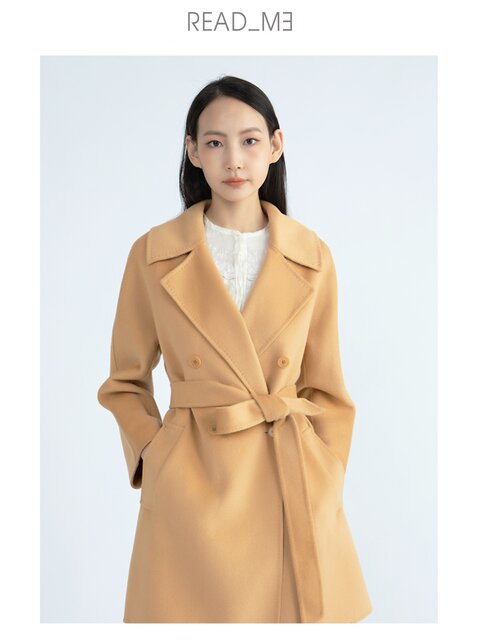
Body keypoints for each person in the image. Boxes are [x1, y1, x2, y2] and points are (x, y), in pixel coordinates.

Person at [97, 75, 373, 623]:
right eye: (215, 142)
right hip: (192, 484)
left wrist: (324, 474)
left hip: (289, 479)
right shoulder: (152, 254)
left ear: (275, 145)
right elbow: (124, 382)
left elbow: (327, 388)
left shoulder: (312, 256)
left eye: (249, 140)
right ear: (192, 151)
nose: (234, 160)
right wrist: (158, 457)